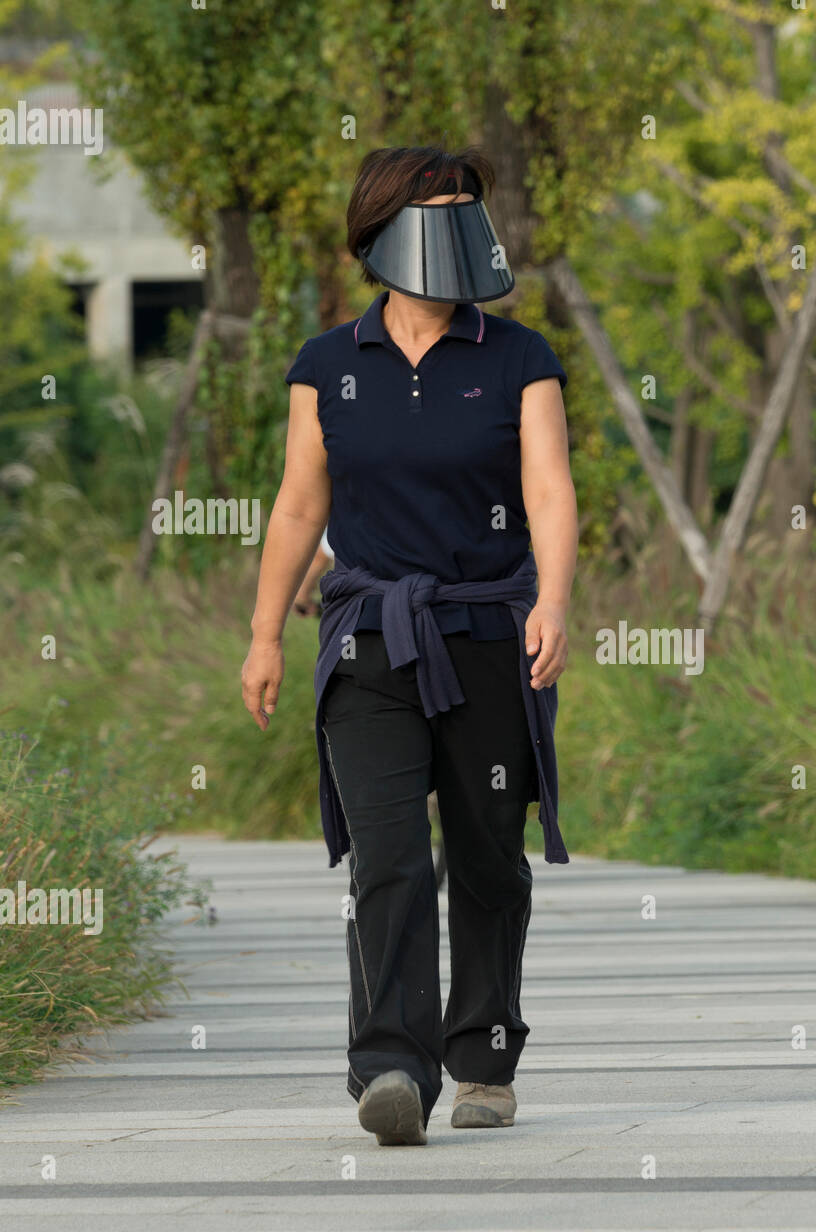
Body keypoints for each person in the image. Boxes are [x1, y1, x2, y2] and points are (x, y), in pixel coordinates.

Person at [240, 145, 577, 1147]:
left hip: (489, 631)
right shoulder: (327, 365)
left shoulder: (519, 357)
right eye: (438, 206)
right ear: (382, 229)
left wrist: (553, 597)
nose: (458, 220)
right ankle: (390, 1063)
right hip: (368, 639)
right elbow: (301, 506)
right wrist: (264, 634)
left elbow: (551, 488)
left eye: (468, 203)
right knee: (389, 859)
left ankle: (481, 1055)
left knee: (486, 858)